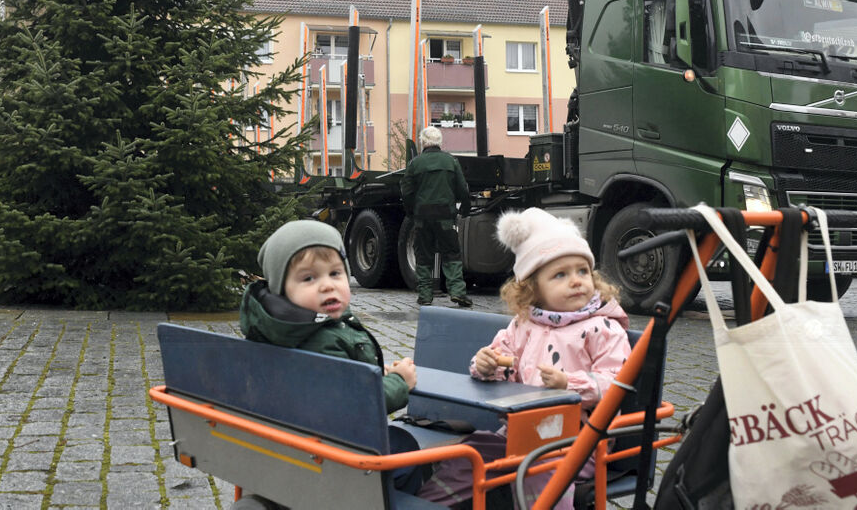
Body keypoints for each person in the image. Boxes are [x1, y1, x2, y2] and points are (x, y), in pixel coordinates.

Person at [417, 207, 631, 509]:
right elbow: (505, 364)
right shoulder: (524, 325)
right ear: (533, 288)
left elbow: (616, 384)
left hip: (579, 441)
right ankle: (424, 504)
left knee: (537, 470)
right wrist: (486, 365)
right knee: (469, 457)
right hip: (518, 434)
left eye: (582, 271)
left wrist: (568, 384)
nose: (576, 280)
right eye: (560, 274)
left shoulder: (603, 327)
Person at [239, 219, 417, 412]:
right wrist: (399, 381)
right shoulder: (320, 343)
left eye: (335, 273)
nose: (327, 285)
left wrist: (374, 374)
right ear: (281, 291)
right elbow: (356, 403)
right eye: (309, 278)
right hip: (338, 438)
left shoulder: (285, 329)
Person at [400, 125, 472, 307]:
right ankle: (457, 292)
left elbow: (406, 192)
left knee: (423, 255)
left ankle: (425, 295)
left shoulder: (415, 164)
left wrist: (411, 212)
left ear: (423, 143)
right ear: (440, 142)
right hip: (446, 217)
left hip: (422, 218)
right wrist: (465, 207)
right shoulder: (451, 161)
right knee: (452, 254)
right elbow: (463, 188)